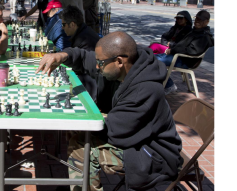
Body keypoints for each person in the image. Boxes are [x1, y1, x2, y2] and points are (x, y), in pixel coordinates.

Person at [35, 31, 184, 191]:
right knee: (76, 131)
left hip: (151, 152)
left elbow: (116, 131)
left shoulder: (144, 90)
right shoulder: (126, 63)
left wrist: (81, 117)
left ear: (119, 61)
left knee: (81, 149)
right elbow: (84, 57)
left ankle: (81, 184)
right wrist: (62, 56)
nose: (97, 66)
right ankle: (78, 183)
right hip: (132, 134)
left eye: (101, 63)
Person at [158, 10, 216, 95]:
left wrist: (173, 50)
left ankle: (169, 85)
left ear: (207, 22)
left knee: (154, 62)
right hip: (177, 56)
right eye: (196, 19)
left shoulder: (204, 37)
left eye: (200, 20)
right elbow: (181, 44)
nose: (196, 22)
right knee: (150, 58)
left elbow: (190, 51)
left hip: (184, 60)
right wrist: (172, 48)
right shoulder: (194, 31)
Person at [59, 5, 100, 101]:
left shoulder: (85, 40)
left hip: (93, 90)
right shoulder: (82, 33)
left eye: (64, 24)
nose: (62, 28)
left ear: (72, 24)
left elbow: (83, 71)